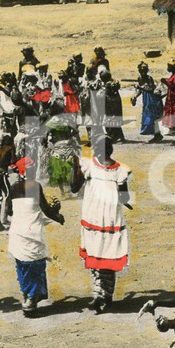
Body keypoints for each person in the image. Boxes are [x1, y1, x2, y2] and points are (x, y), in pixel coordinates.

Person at [70, 134, 132, 312]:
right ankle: (102, 294)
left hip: (96, 215)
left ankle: (101, 294)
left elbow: (74, 187)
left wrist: (76, 167)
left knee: (100, 254)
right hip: (107, 216)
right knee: (105, 255)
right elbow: (124, 196)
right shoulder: (119, 170)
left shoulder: (89, 166)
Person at [6, 156, 65, 316]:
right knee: (35, 265)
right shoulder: (35, 186)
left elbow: (9, 211)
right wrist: (58, 217)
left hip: (17, 232)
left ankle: (27, 296)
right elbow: (46, 210)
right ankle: (32, 298)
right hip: (32, 232)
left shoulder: (13, 187)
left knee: (23, 265)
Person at [132, 62, 163, 143]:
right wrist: (135, 96)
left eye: (145, 70)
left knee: (154, 117)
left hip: (153, 99)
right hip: (147, 99)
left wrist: (141, 87)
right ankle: (157, 134)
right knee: (149, 117)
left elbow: (151, 89)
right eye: (141, 70)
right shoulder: (140, 78)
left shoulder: (149, 78)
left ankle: (157, 135)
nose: (143, 72)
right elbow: (140, 90)